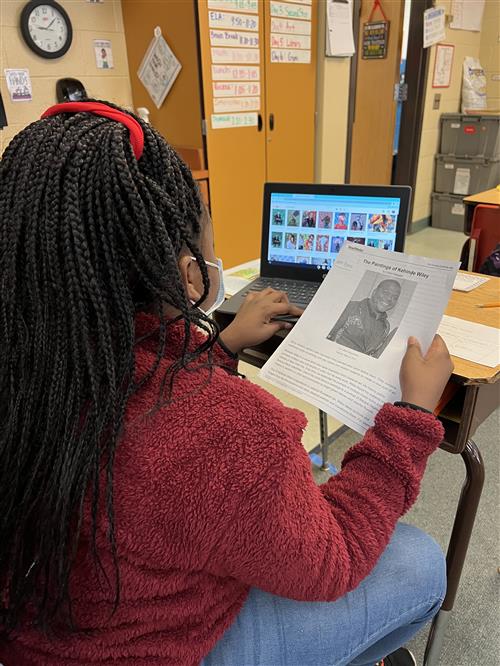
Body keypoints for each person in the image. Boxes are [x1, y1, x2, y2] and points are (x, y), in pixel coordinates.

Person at [0, 101, 452, 666]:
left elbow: (135, 409)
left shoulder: (35, 366)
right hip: (163, 647)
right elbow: (335, 560)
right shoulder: (229, 432)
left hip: (49, 634)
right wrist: (410, 417)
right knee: (420, 561)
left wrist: (218, 347)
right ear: (192, 274)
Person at [327, 279, 403, 358]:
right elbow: (327, 336)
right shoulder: (350, 306)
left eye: (395, 297)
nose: (389, 299)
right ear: (374, 292)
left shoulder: (386, 327)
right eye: (386, 292)